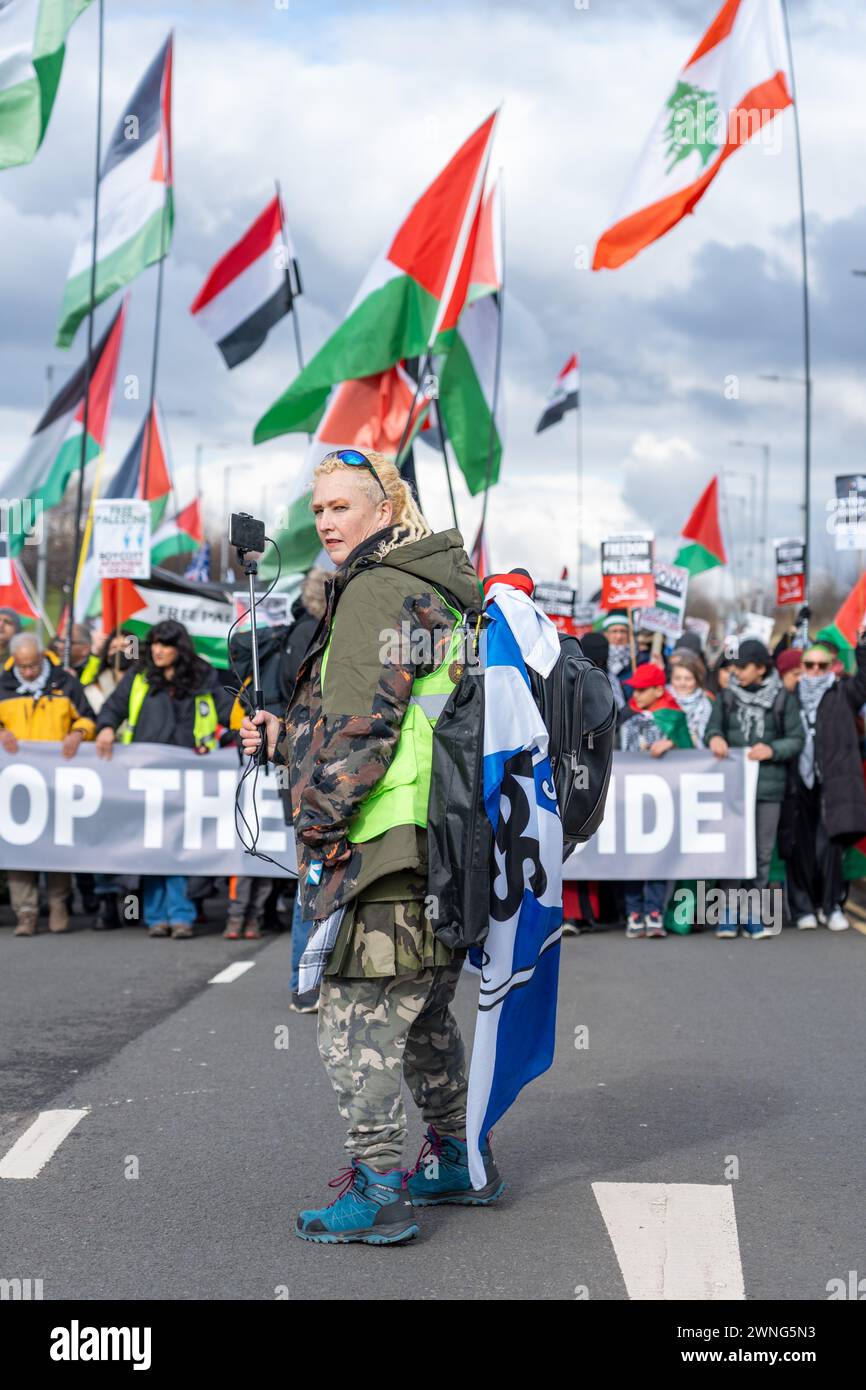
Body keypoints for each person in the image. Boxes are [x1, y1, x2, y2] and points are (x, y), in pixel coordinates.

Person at [241, 447, 499, 1246]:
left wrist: (316, 826)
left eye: (340, 508)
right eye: (318, 512)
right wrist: (288, 736)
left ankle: (379, 1191)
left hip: (384, 847)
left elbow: (360, 731)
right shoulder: (437, 585)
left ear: (383, 511)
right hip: (446, 841)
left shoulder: (376, 591)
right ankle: (453, 1159)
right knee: (420, 1019)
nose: (324, 524)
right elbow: (404, 713)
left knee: (354, 1025)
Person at [95, 620, 235, 939]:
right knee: (152, 847)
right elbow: (113, 707)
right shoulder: (140, 675)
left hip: (189, 778)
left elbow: (227, 711)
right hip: (146, 778)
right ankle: (156, 917)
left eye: (165, 644)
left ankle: (182, 915)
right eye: (155, 643)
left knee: (180, 846)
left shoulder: (203, 675)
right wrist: (104, 726)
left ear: (179, 648)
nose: (157, 650)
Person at [704, 639, 804, 939]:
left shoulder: (782, 699)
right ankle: (729, 914)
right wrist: (716, 738)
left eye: (743, 666)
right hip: (733, 788)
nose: (736, 672)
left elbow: (797, 739)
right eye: (733, 666)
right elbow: (713, 728)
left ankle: (753, 914)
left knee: (761, 854)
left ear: (761, 668)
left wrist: (772, 749)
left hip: (768, 790)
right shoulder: (726, 697)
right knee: (733, 850)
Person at [0, 631, 95, 935]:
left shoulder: (65, 683)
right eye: (23, 666)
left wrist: (78, 734)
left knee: (56, 846)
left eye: (33, 665)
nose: (28, 671)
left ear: (42, 656)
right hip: (16, 784)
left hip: (57, 781)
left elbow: (89, 719)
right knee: (19, 848)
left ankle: (58, 904)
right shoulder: (3, 685)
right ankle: (25, 912)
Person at [778, 636, 866, 931]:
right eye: (809, 665)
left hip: (832, 781)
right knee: (799, 845)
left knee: (829, 846)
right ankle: (802, 907)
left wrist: (863, 644)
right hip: (797, 781)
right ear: (801, 667)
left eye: (821, 665)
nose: (815, 671)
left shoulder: (842, 693)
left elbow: (864, 679)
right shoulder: (789, 696)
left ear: (830, 667)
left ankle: (831, 906)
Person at [618, 662, 692, 938]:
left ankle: (654, 911)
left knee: (658, 856)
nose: (636, 695)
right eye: (634, 689)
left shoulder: (674, 716)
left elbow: (692, 752)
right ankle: (634, 911)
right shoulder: (627, 715)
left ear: (658, 689)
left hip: (664, 799)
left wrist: (671, 743)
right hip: (632, 797)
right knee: (633, 857)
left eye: (642, 690)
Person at [668, 650, 713, 746]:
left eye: (688, 679)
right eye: (677, 678)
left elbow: (704, 736)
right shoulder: (661, 700)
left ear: (697, 681)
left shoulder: (706, 703)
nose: (682, 683)